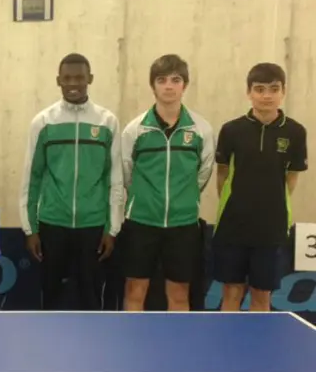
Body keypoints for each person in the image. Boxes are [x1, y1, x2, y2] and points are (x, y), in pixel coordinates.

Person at [19, 53, 124, 311]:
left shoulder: (107, 122)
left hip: (94, 227)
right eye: (67, 78)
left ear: (90, 79)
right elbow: (30, 179)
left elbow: (116, 180)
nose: (73, 83)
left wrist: (112, 229)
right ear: (58, 81)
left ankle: (94, 348)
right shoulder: (43, 123)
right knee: (52, 296)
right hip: (52, 225)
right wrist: (30, 229)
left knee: (92, 298)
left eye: (79, 77)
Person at [120, 54, 215, 312]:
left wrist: (184, 200)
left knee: (179, 294)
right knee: (135, 290)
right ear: (153, 86)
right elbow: (126, 173)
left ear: (185, 84)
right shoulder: (135, 129)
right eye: (162, 80)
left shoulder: (201, 129)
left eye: (176, 80)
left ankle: (179, 350)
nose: (169, 86)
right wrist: (143, 199)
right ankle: (132, 346)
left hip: (183, 224)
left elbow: (203, 173)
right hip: (141, 221)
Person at [212, 63, 307, 312]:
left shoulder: (296, 132)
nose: (267, 95)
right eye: (260, 89)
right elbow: (222, 175)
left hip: (271, 228)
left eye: (274, 89)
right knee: (231, 292)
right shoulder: (231, 130)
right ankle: (226, 347)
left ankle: (257, 349)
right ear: (249, 92)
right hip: (233, 225)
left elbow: (291, 178)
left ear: (283, 91)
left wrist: (270, 203)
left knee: (261, 296)